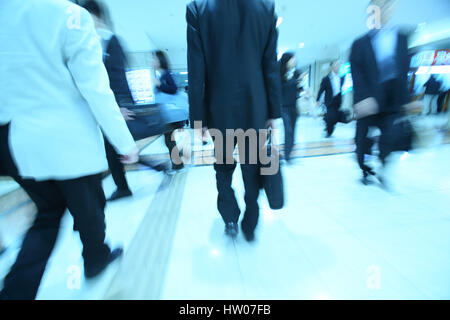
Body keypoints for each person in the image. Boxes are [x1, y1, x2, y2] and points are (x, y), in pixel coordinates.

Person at [0, 0, 138, 299]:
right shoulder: (70, 15)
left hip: (15, 140)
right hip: (67, 138)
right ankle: (96, 258)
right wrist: (124, 142)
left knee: (48, 214)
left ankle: (15, 291)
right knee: (89, 207)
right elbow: (95, 87)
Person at [187, 0, 282, 241]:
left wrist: (198, 118)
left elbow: (196, 70)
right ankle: (251, 220)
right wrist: (274, 112)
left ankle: (230, 217)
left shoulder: (198, 8)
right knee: (253, 167)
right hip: (256, 106)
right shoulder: (266, 7)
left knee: (223, 167)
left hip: (219, 108)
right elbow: (270, 65)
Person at [350, 0, 411, 186]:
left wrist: (406, 100)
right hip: (368, 100)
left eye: (387, 4)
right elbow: (357, 73)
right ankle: (365, 168)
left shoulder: (402, 39)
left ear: (393, 8)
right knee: (362, 140)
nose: (383, 9)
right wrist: (362, 99)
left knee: (391, 135)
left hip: (392, 102)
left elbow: (403, 72)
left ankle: (384, 165)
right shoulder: (360, 44)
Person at [82, 0, 136, 201]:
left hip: (111, 104)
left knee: (113, 148)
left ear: (97, 16)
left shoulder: (110, 40)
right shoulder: (92, 39)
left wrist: (122, 105)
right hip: (99, 106)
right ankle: (123, 186)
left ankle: (123, 187)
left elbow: (118, 75)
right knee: (111, 149)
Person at [152, 50, 185, 174]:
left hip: (169, 114)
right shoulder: (161, 74)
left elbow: (173, 89)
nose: (152, 61)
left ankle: (178, 165)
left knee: (168, 140)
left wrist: (159, 84)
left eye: (154, 58)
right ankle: (178, 158)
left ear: (161, 60)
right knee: (169, 140)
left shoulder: (166, 74)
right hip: (167, 114)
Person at [316, 60, 348, 138]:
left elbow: (341, 89)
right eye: (336, 65)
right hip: (329, 100)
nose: (338, 66)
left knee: (333, 116)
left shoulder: (341, 78)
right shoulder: (326, 78)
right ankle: (329, 130)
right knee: (331, 115)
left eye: (338, 65)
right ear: (331, 67)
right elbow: (321, 90)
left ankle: (328, 123)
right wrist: (317, 100)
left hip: (338, 100)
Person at [280, 53, 299, 162]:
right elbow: (279, 88)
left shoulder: (296, 73)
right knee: (288, 130)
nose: (294, 61)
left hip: (294, 107)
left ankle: (289, 151)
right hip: (284, 107)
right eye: (292, 59)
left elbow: (299, 89)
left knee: (293, 131)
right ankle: (287, 155)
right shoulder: (281, 74)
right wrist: (293, 81)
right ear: (287, 61)